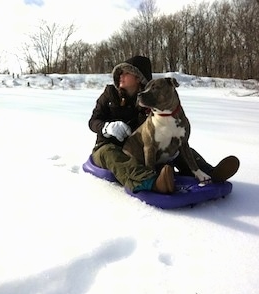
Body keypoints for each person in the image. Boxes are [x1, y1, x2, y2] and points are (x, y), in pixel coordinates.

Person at [88, 55, 240, 194]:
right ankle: (150, 182)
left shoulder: (149, 100)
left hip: (139, 148)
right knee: (112, 154)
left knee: (177, 145)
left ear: (138, 77)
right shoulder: (109, 94)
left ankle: (211, 173)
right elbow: (93, 121)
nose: (121, 75)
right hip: (106, 146)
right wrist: (106, 127)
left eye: (126, 72)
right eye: (119, 72)